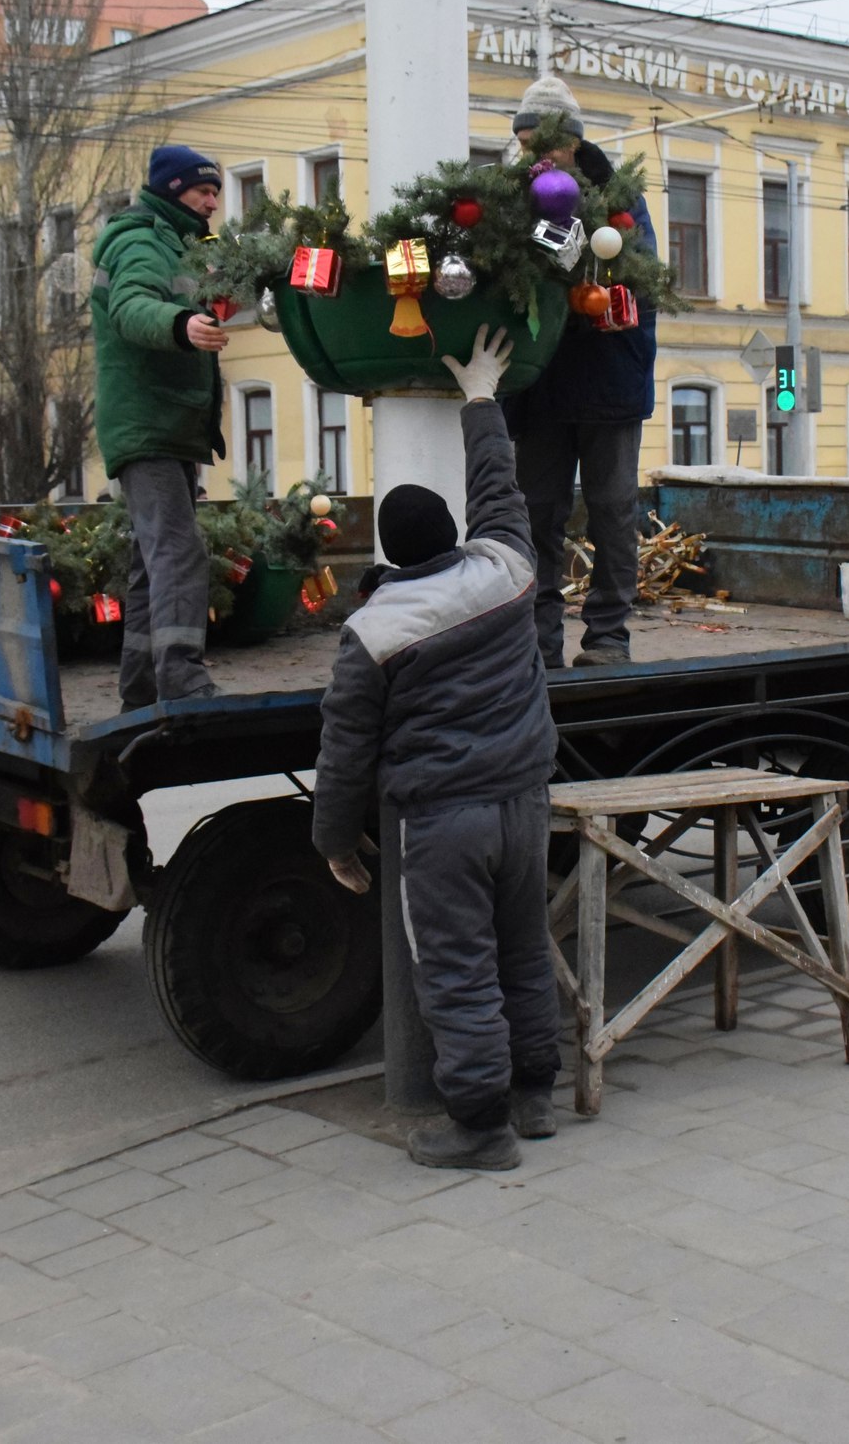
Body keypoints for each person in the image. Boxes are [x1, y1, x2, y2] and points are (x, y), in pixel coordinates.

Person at [314, 329, 562, 1172]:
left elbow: (346, 749)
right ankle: (535, 1095)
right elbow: (503, 492)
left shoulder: (373, 631)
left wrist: (336, 841)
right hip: (526, 801)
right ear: (452, 532)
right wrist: (483, 397)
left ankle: (481, 1126)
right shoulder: (505, 568)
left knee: (457, 970)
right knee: (524, 947)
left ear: (390, 553)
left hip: (443, 821)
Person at [501, 75, 659, 670]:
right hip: (539, 385)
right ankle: (540, 643)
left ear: (572, 141)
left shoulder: (616, 198)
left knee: (612, 510)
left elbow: (643, 276)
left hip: (609, 381)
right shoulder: (510, 199)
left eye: (545, 142)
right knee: (537, 514)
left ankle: (607, 637)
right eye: (523, 144)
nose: (534, 155)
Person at [90, 144, 230, 709]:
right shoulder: (141, 241)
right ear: (174, 189)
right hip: (147, 423)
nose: (213, 202)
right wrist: (181, 324)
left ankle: (143, 687)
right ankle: (182, 678)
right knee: (177, 550)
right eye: (204, 190)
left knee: (156, 563)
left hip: (170, 424)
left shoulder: (184, 245)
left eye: (217, 191)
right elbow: (131, 306)